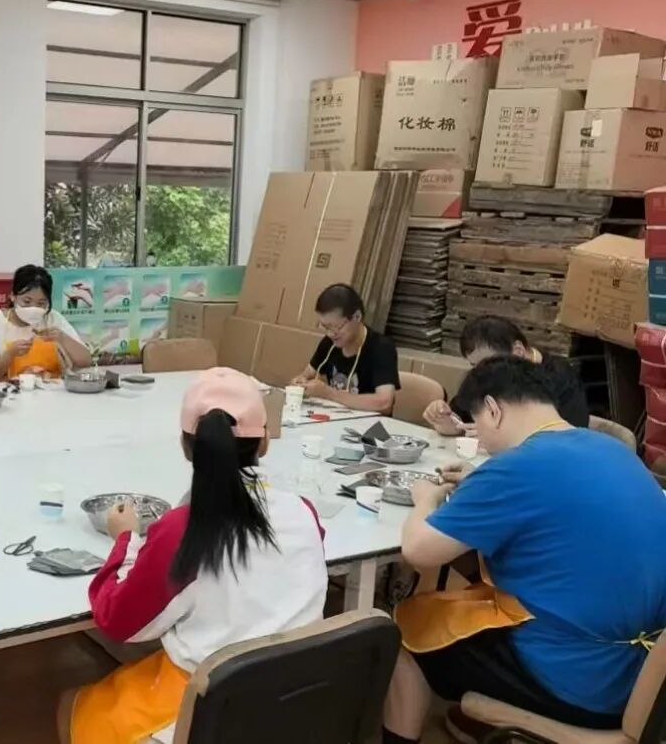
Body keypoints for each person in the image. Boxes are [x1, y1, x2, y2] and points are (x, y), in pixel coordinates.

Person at [383, 357, 666, 744]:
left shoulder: (518, 466)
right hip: (646, 680)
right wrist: (482, 484)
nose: (481, 441)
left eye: (477, 423)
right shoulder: (612, 450)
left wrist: (424, 500)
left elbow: (418, 550)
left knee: (404, 631)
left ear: (494, 409)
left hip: (582, 682)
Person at [61, 367, 328, 744]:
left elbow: (119, 621)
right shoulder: (303, 511)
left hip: (214, 710)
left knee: (72, 706)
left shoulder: (183, 529)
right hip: (300, 700)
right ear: (265, 441)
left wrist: (125, 538)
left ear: (186, 446)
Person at [423, 316, 589, 436]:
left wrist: (498, 438)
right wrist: (449, 423)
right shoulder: (484, 374)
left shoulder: (562, 378)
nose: (482, 373)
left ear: (518, 351)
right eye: (474, 366)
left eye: (490, 363)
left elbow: (569, 437)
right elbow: (461, 413)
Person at [0, 264, 91, 383]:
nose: (33, 308)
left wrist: (62, 338)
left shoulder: (53, 319)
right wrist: (9, 355)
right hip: (11, 393)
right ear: (13, 296)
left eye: (41, 303)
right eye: (27, 301)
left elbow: (86, 361)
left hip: (52, 392)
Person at [292, 283, 400, 414]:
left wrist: (328, 393)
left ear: (357, 317)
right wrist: (300, 384)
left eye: (336, 327)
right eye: (325, 327)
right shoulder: (330, 343)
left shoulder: (381, 347)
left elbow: (384, 403)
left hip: (369, 423)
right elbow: (307, 374)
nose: (330, 334)